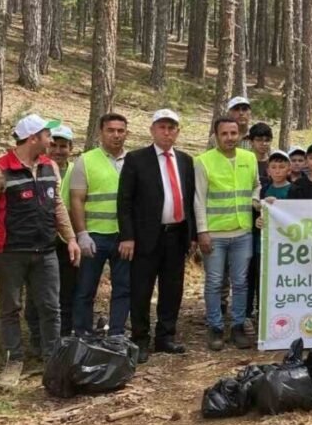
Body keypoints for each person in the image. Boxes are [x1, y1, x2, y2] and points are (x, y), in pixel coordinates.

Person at [0, 114, 80, 387]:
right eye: (48, 135)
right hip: (9, 252)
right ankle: (14, 360)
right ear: (33, 138)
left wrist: (70, 238)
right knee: (10, 308)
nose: (52, 140)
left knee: (50, 307)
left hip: (45, 250)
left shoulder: (49, 167)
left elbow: (57, 206)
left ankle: (53, 359)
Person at [118, 109, 197, 364]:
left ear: (178, 132)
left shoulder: (185, 161)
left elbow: (190, 199)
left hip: (176, 236)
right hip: (145, 238)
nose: (167, 132)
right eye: (162, 127)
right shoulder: (136, 159)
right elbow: (125, 201)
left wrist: (192, 235)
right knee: (141, 289)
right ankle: (140, 339)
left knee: (172, 288)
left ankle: (166, 336)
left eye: (172, 128)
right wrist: (127, 236)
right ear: (152, 130)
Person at [195, 117, 260, 351]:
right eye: (225, 134)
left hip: (242, 232)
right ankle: (215, 326)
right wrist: (202, 231)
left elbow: (256, 185)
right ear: (216, 136)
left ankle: (239, 326)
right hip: (215, 234)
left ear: (240, 134)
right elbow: (199, 200)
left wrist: (255, 199)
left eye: (234, 133)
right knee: (214, 282)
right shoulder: (203, 162)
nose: (230, 138)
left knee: (241, 283)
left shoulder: (249, 158)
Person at [69, 113, 130, 337]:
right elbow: (77, 199)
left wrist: (131, 235)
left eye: (120, 131)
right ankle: (82, 332)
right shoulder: (86, 160)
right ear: (100, 132)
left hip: (123, 237)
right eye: (110, 130)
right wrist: (82, 233)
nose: (116, 135)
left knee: (123, 288)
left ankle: (116, 332)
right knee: (86, 288)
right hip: (95, 236)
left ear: (126, 133)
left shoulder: (132, 160)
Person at [24, 124, 78, 347]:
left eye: (63, 146)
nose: (57, 150)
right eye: (53, 144)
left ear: (71, 148)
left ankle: (63, 338)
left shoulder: (77, 170)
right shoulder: (37, 168)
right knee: (36, 293)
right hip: (40, 238)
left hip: (68, 239)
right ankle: (37, 339)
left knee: (67, 290)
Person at [250, 150, 293, 330]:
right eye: (273, 167)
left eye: (282, 167)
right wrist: (258, 221)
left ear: (289, 169)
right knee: (263, 282)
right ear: (268, 170)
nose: (277, 171)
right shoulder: (263, 189)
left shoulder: (294, 190)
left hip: (285, 249)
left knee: (284, 282)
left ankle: (287, 316)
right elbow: (256, 213)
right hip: (264, 246)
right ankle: (263, 317)